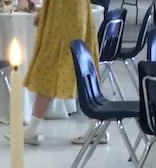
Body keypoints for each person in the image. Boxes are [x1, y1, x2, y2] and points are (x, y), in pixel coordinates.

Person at [16, 0, 99, 145]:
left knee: (57, 64)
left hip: (66, 13)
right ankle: (96, 126)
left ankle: (34, 128)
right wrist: (45, 11)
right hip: (65, 10)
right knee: (75, 65)